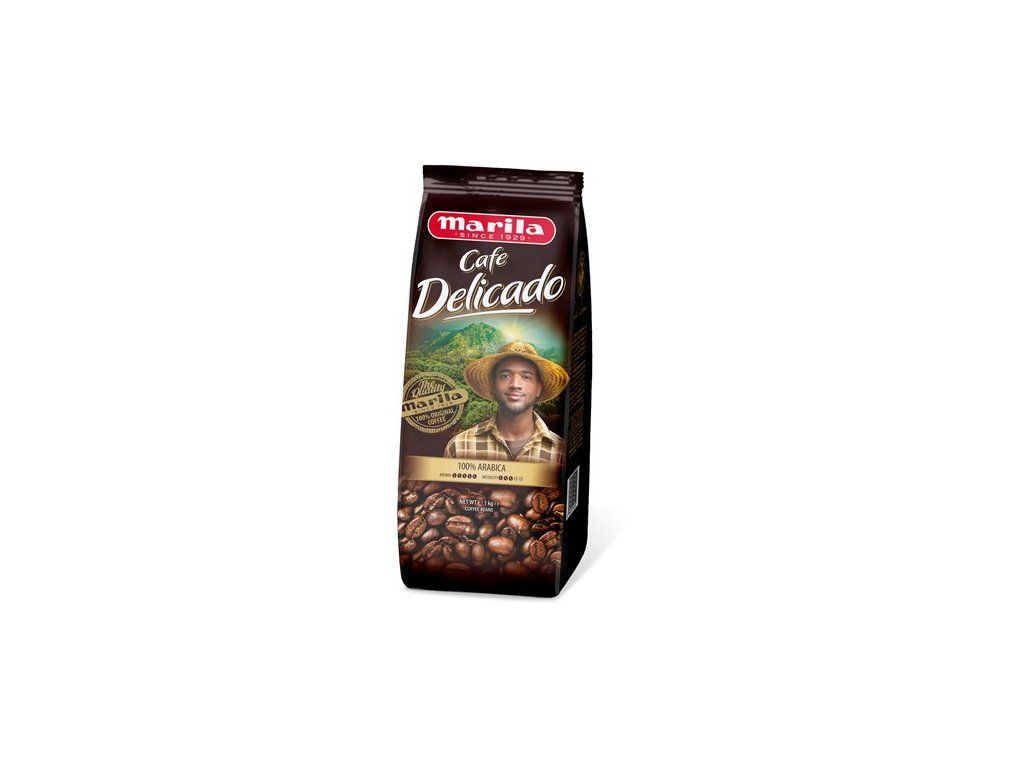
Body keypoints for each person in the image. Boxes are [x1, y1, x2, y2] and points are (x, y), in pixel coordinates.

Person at [444, 341, 569, 464]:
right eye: (505, 376)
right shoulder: (459, 447)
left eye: (526, 377)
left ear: (538, 388)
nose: (515, 385)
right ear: (493, 386)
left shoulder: (560, 453)